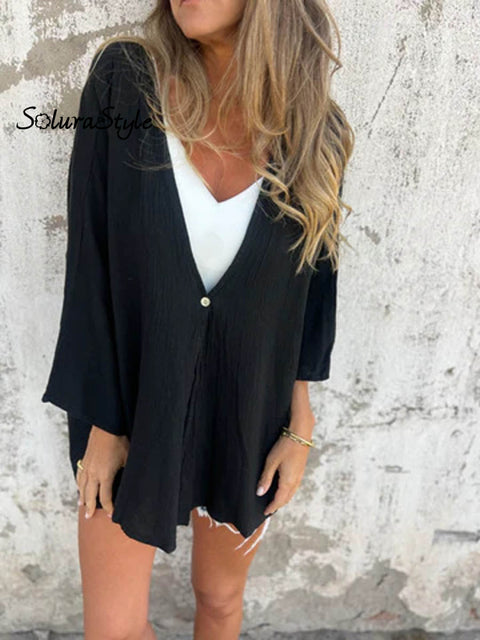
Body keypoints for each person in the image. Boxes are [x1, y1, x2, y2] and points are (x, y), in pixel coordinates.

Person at [41, 1, 354, 638]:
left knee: (218, 599)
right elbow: (89, 260)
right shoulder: (127, 80)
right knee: (112, 629)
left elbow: (312, 291)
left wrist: (299, 422)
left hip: (249, 409)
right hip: (128, 403)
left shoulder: (315, 131)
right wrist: (106, 424)